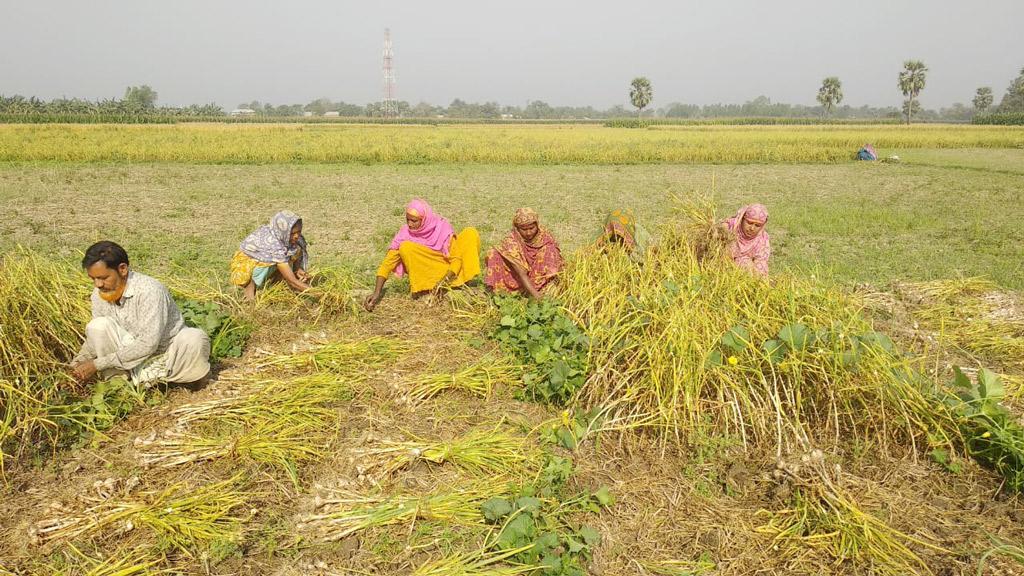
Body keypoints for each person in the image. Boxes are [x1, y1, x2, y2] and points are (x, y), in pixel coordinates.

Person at [71, 241, 211, 387]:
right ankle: (118, 384)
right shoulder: (98, 294)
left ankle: (180, 381)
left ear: (123, 269)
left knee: (195, 338)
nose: (98, 284)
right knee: (98, 326)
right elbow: (95, 338)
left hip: (165, 354)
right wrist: (76, 365)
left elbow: (148, 344)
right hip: (125, 357)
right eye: (93, 278)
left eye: (103, 278)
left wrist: (97, 365)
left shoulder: (150, 291)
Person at [364, 199, 480, 311]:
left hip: (450, 271)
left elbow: (456, 259)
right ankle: (426, 288)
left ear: (424, 219)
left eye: (414, 221)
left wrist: (443, 283)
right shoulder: (404, 234)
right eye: (407, 220)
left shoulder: (441, 228)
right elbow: (387, 264)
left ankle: (459, 282)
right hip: (431, 272)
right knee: (405, 247)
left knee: (470, 233)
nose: (410, 224)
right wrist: (376, 293)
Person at [230, 210, 311, 300]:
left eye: (299, 232)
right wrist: (316, 292)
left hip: (272, 259)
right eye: (292, 233)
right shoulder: (275, 244)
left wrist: (297, 270)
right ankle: (249, 296)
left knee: (296, 249)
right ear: (284, 231)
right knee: (275, 265)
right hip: (247, 265)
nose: (296, 236)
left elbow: (294, 255)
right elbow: (292, 281)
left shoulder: (287, 237)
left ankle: (274, 285)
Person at [484, 208, 564, 298]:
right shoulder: (511, 241)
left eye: (531, 228)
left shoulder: (545, 237)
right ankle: (500, 292)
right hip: (518, 278)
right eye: (524, 229)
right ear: (517, 229)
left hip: (538, 277)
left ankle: (546, 291)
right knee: (493, 253)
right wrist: (537, 297)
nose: (529, 233)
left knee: (550, 250)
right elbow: (521, 271)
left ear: (537, 225)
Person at [722, 204, 770, 277]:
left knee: (747, 263)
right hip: (723, 265)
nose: (752, 228)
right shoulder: (730, 227)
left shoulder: (762, 238)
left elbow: (761, 261)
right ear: (743, 219)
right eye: (749, 223)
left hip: (743, 269)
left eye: (757, 225)